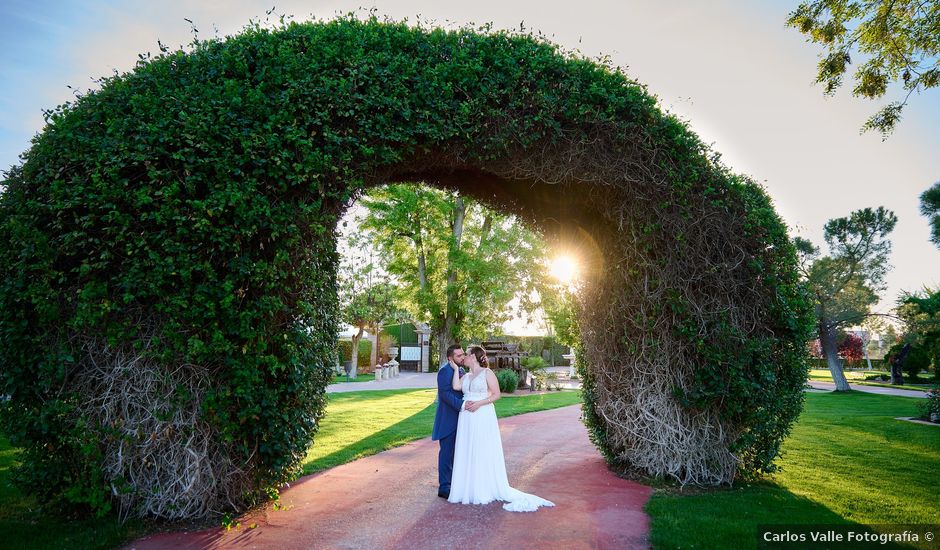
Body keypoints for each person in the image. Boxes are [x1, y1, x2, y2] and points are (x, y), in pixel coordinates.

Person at [447, 346, 555, 512]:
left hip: (482, 413)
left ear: (474, 357)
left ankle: (483, 487)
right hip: (467, 418)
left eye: (466, 355)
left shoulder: (487, 373)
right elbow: (455, 386)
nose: (464, 358)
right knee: (468, 449)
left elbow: (496, 395)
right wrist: (455, 369)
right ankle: (468, 487)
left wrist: (478, 404)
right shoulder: (466, 375)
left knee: (481, 448)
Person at [431, 344, 467, 499]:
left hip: (462, 419)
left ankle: (455, 482)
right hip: (448, 419)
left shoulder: (462, 371)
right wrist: (462, 405)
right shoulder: (444, 372)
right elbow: (445, 394)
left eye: (463, 354)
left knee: (457, 453)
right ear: (450, 358)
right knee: (446, 453)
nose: (462, 357)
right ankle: (444, 487)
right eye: (459, 355)